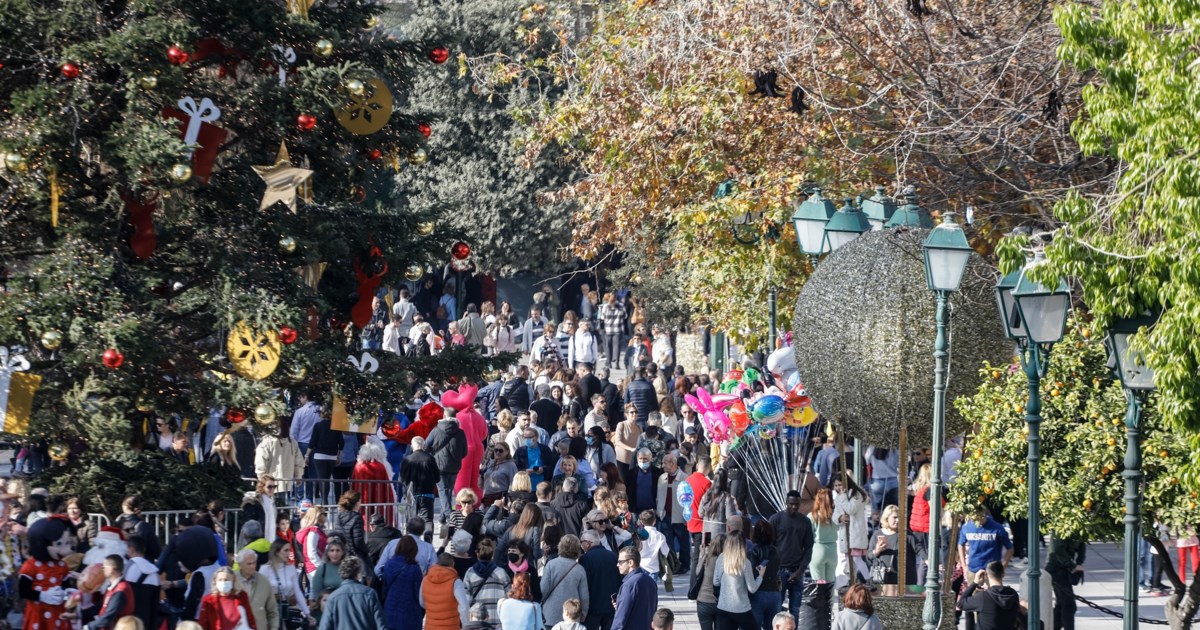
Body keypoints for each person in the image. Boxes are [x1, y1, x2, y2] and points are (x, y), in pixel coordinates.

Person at [769, 490, 814, 621]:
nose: (794, 507)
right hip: (779, 571)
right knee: (777, 609)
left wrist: (801, 570)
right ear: (786, 503)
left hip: (797, 571)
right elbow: (770, 547)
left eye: (797, 504)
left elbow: (809, 547)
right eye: (791, 504)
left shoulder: (805, 521)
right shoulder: (776, 519)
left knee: (795, 610)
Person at [319, 557, 388, 630]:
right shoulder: (369, 594)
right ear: (358, 572)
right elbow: (381, 624)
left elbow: (324, 627)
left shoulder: (333, 597)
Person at [259, 539, 311, 626]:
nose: (289, 553)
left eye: (289, 550)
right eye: (286, 550)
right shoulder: (265, 569)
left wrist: (307, 613)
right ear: (277, 552)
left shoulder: (291, 569)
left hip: (288, 612)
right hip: (270, 613)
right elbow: (260, 594)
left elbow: (297, 592)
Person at [541, 535, 590, 629]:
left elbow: (543, 589)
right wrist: (583, 612)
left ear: (561, 546)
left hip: (550, 613)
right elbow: (584, 595)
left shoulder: (551, 564)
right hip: (572, 614)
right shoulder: (579, 569)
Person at [958, 506, 1014, 586]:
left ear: (985, 514)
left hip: (993, 570)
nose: (978, 520)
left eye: (981, 516)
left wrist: (1003, 566)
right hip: (973, 569)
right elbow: (960, 544)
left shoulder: (997, 528)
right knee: (973, 596)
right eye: (975, 518)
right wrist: (964, 566)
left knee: (995, 597)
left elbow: (1010, 548)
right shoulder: (967, 527)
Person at [957, 561, 1020, 630]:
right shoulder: (1013, 594)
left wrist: (974, 583)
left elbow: (961, 603)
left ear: (986, 575)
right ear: (1003, 573)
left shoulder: (983, 597)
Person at [655, 453, 689, 577]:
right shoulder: (662, 478)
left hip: (680, 516)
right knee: (668, 543)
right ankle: (672, 565)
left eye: (665, 463)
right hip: (665, 515)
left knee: (683, 542)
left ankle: (685, 565)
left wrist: (687, 515)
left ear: (673, 464)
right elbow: (659, 495)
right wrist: (659, 511)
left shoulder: (685, 478)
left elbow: (689, 499)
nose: (662, 465)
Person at [832, 476, 870, 586]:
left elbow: (851, 509)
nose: (838, 487)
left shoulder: (856, 494)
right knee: (849, 561)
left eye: (840, 485)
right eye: (836, 485)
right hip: (845, 533)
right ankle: (851, 582)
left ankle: (868, 579)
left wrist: (843, 496)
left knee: (857, 558)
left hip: (855, 533)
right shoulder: (839, 497)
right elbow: (835, 514)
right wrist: (840, 518)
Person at [400, 436, 440, 538]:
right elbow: (437, 478)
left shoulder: (407, 460)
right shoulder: (430, 459)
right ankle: (428, 537)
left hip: (412, 494)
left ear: (412, 445)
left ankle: (411, 541)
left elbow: (402, 480)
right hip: (427, 494)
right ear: (423, 445)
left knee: (411, 520)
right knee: (427, 520)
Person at [382, 537, 425, 630]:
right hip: (410, 614)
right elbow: (418, 594)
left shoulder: (389, 564)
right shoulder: (415, 569)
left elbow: (385, 586)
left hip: (390, 611)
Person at [463, 538, 511, 621]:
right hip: (498, 620)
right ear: (492, 554)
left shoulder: (470, 573)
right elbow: (509, 598)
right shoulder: (501, 573)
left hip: (478, 621)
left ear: (477, 554)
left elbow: (466, 600)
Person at [83, 555, 136, 630]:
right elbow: (100, 607)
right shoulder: (114, 587)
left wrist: (89, 627)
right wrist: (79, 614)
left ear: (111, 569)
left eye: (104, 567)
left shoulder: (121, 590)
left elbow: (108, 617)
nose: (102, 569)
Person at [612, 546, 657, 630]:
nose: (617, 565)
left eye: (620, 562)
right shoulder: (650, 580)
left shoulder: (629, 584)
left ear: (630, 562)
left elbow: (620, 619)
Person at [1046, 537, 1086, 630]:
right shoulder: (1060, 529)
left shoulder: (1077, 530)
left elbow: (1082, 546)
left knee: (1062, 604)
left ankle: (1053, 627)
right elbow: (1058, 549)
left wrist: (1078, 563)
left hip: (1064, 569)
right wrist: (1073, 565)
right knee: (1068, 604)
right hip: (1056, 569)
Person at [748, 521, 782, 630]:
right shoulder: (776, 551)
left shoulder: (753, 551)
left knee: (755, 626)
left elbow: (752, 573)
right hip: (774, 592)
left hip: (758, 592)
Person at [422, 553, 469, 630]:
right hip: (451, 626)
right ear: (453, 564)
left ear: (437, 563)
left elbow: (422, 602)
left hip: (430, 626)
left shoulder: (425, 580)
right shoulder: (456, 582)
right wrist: (466, 625)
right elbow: (464, 606)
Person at [234, 549, 279, 630]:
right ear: (240, 565)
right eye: (249, 564)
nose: (252, 566)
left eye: (254, 563)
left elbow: (273, 611)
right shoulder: (232, 580)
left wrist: (274, 628)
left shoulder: (264, 581)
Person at [686, 458, 713, 578]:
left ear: (697, 466)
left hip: (690, 520)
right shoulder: (707, 483)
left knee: (696, 555)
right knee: (699, 557)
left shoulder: (687, 480)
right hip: (702, 525)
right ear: (709, 468)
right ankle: (694, 585)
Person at [868, 505, 903, 597]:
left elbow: (919, 549)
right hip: (882, 578)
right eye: (895, 517)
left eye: (899, 517)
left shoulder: (906, 535)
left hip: (902, 579)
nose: (898, 520)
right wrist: (877, 550)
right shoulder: (877, 534)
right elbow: (869, 556)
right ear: (886, 518)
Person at [808, 489, 837, 583]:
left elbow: (808, 536)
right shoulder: (836, 515)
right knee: (830, 583)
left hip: (818, 549)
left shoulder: (812, 516)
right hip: (832, 550)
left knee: (819, 584)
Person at [613, 409, 642, 477]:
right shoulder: (621, 424)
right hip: (621, 460)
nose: (634, 414)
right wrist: (631, 449)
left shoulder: (639, 427)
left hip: (634, 460)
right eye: (632, 412)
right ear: (626, 414)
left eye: (636, 412)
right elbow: (617, 441)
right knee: (623, 482)